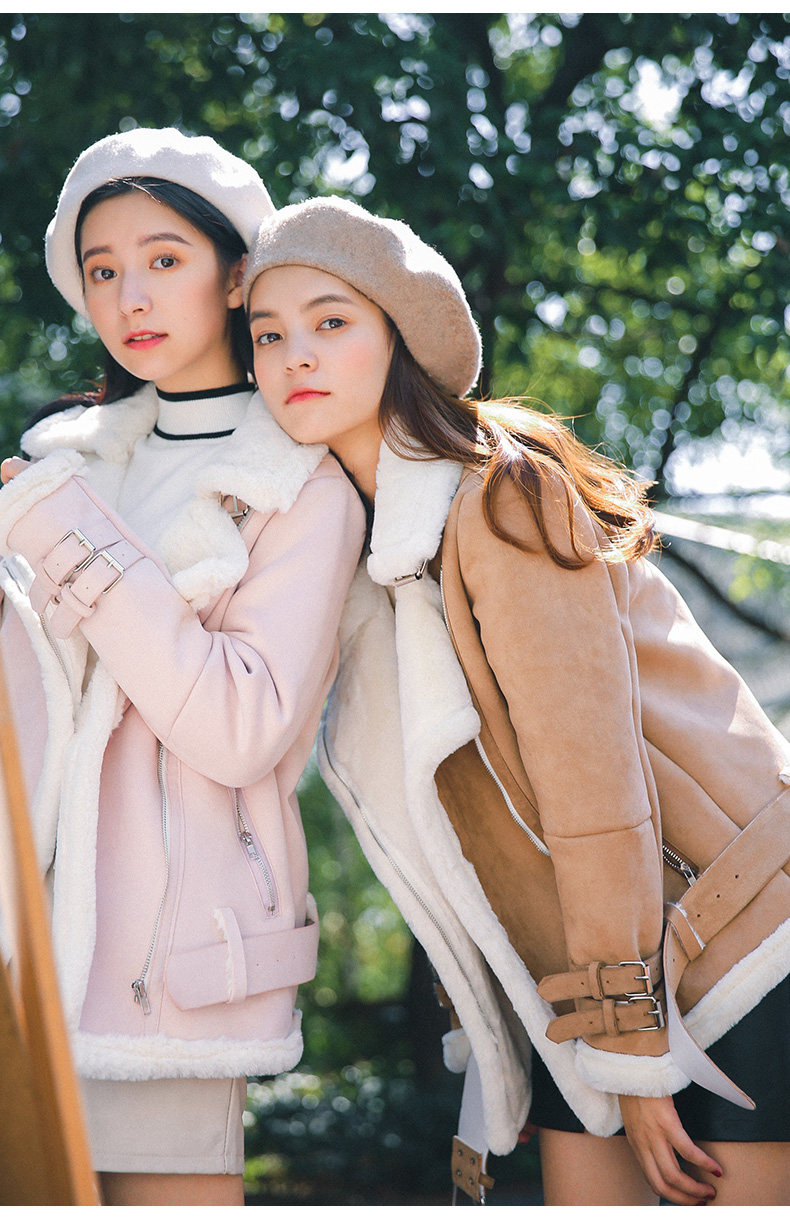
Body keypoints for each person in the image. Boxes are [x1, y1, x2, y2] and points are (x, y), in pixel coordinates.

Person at [241, 195, 790, 1207]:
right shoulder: (366, 560)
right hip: (588, 983)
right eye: (267, 334)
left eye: (330, 321)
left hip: (733, 946)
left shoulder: (500, 494)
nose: (294, 356)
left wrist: (634, 1044)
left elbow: (592, 787)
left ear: (399, 337)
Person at [0, 133, 366, 1206]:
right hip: (21, 957)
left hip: (166, 978)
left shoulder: (300, 481)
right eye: (103, 269)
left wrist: (64, 535)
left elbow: (239, 727)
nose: (131, 296)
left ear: (236, 274)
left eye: (164, 259)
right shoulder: (63, 462)